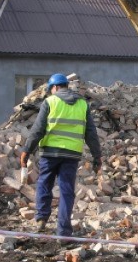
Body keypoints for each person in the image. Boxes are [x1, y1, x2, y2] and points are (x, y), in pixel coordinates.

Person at [20, 73, 102, 236]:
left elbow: (38, 129)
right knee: (66, 191)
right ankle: (63, 232)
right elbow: (91, 133)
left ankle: (42, 219)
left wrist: (27, 150)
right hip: (71, 154)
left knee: (44, 184)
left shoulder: (50, 102)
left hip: (50, 153)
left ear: (55, 87)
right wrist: (97, 156)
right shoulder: (82, 104)